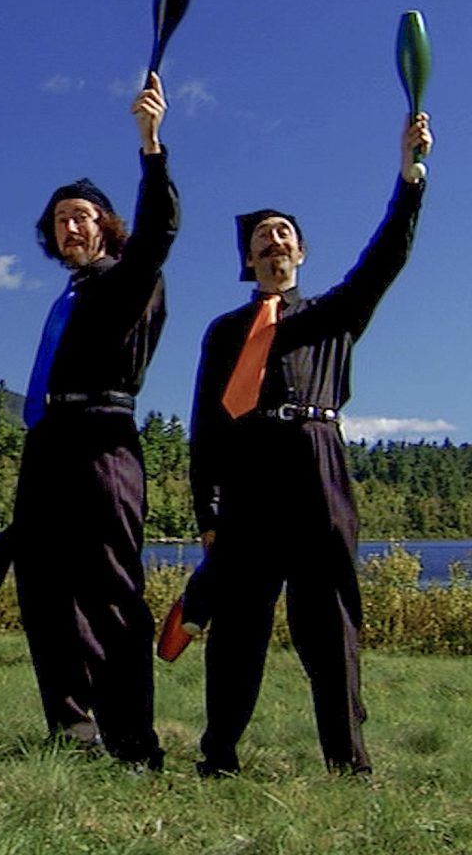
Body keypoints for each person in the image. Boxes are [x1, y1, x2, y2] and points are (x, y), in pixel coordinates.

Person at [189, 113, 433, 777]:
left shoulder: (332, 315)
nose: (274, 241)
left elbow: (386, 258)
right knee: (237, 628)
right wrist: (208, 514)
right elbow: (205, 429)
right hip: (246, 481)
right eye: (263, 237)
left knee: (328, 625)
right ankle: (218, 758)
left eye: (285, 234)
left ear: (299, 254)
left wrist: (410, 176)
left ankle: (346, 762)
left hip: (316, 466)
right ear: (248, 259)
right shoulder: (222, 331)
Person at [11, 73, 178, 770]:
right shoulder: (67, 296)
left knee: (111, 591)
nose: (70, 226)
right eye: (59, 220)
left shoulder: (125, 280)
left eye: (82, 215)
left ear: (106, 225)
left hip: (104, 442)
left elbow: (160, 229)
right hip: (47, 442)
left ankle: (132, 741)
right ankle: (71, 728)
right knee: (42, 589)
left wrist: (150, 147)